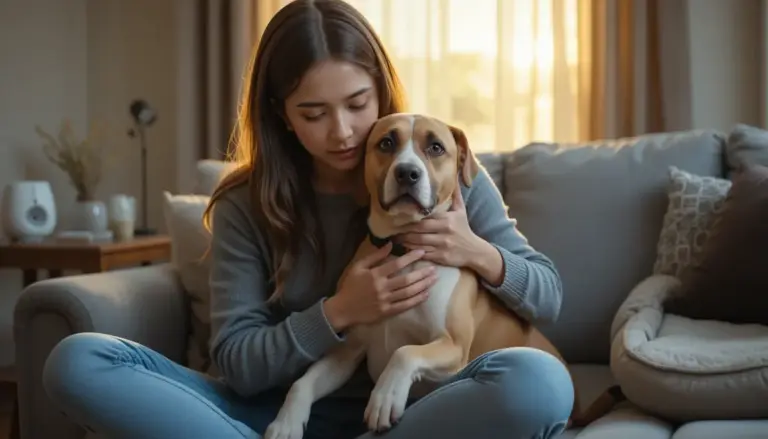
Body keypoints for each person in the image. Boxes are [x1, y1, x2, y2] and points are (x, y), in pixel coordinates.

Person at [42, 1, 573, 438]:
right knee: (78, 360)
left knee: (539, 382)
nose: (341, 132)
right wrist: (339, 311)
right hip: (265, 417)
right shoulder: (243, 204)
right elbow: (237, 364)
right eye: (314, 114)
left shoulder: (440, 181)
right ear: (282, 116)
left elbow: (547, 295)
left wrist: (474, 250)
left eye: (358, 104)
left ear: (381, 93)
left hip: (406, 420)